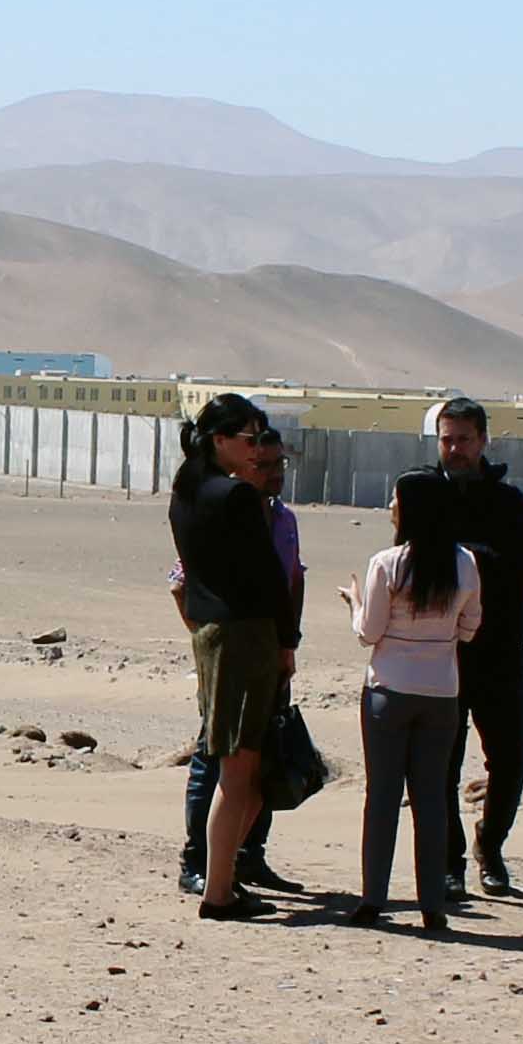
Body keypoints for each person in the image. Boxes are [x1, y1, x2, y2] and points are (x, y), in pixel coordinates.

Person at [167, 392, 301, 922]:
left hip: (212, 633)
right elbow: (268, 577)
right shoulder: (236, 497)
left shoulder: (186, 491)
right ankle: (218, 889)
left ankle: (219, 879)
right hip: (246, 634)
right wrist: (287, 642)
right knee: (239, 769)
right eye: (247, 438)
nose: (255, 448)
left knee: (229, 759)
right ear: (220, 440)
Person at [340, 472, 483, 932]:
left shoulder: (387, 563)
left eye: (396, 499)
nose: (390, 505)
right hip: (441, 692)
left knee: (381, 797)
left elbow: (368, 633)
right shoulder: (464, 564)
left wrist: (355, 601)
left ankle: (372, 898)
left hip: (388, 689)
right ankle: (433, 904)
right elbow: (470, 627)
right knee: (431, 801)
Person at [422, 400, 523, 894]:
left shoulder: (509, 503)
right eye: (447, 440)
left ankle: (490, 845)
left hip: (499, 651)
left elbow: (521, 567)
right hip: (440, 652)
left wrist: (461, 558)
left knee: (511, 758)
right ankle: (449, 861)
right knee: (442, 763)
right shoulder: (425, 496)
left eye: (464, 439)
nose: (455, 449)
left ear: (484, 441)